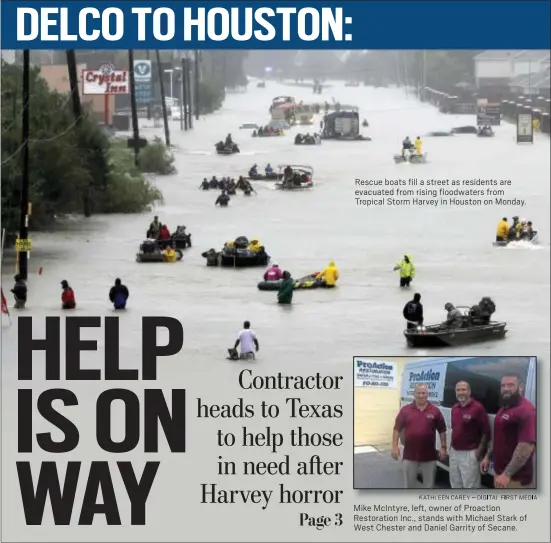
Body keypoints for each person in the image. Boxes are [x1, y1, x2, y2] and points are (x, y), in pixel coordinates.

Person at [481, 373, 536, 488]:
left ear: (520, 387)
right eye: (503, 385)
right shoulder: (504, 408)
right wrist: (487, 456)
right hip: (500, 474)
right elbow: (498, 437)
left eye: (510, 385)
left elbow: (526, 447)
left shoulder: (527, 410)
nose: (506, 388)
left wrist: (507, 474)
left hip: (515, 479)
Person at [392, 383, 447, 489]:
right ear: (414, 394)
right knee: (409, 486)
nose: (421, 395)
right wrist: (394, 446)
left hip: (429, 456)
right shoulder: (405, 410)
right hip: (410, 456)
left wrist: (443, 447)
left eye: (424, 393)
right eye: (419, 393)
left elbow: (442, 430)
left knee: (428, 486)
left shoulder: (435, 411)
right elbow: (397, 429)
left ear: (427, 394)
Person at [449, 381, 491, 489]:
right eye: (458, 390)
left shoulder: (477, 408)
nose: (460, 392)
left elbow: (486, 432)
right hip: (454, 452)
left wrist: (478, 452)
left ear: (469, 391)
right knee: (455, 483)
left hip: (469, 453)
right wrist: (450, 448)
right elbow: (455, 429)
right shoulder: (455, 408)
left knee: (470, 486)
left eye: (463, 389)